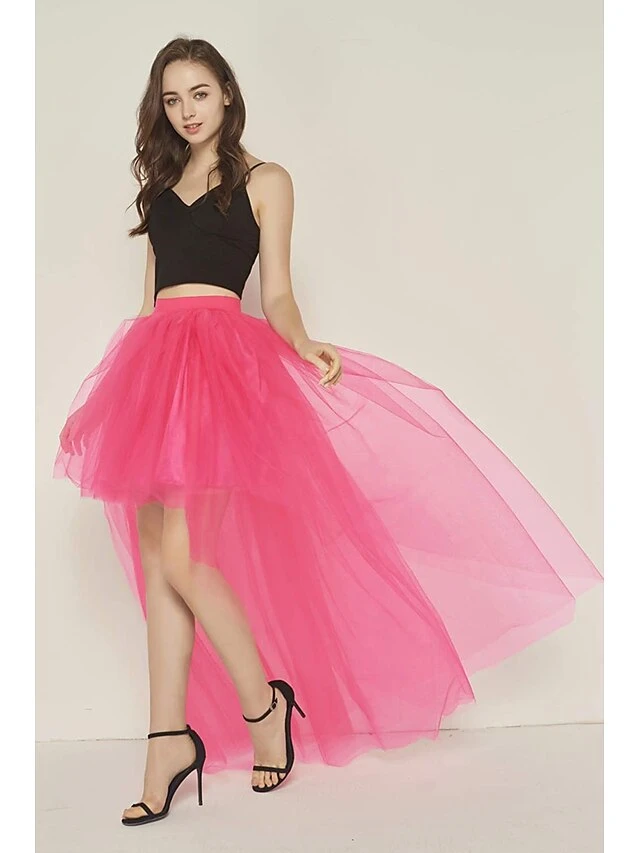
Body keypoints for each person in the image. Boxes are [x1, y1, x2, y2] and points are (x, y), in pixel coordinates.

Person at [53, 37, 603, 828]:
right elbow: (149, 304)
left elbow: (275, 291)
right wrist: (108, 398)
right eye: (172, 99)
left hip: (219, 371)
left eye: (200, 93)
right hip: (155, 372)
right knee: (159, 565)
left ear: (227, 93)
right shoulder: (160, 184)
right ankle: (166, 741)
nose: (187, 111)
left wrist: (303, 340)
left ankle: (264, 705)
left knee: (187, 557)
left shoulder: (265, 180)